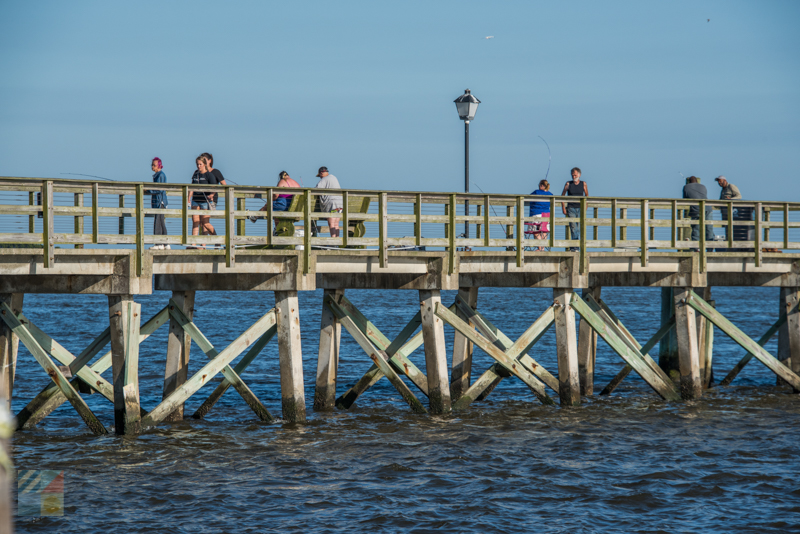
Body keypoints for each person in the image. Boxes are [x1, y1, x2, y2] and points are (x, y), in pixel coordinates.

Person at [188, 155, 226, 248]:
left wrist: (212, 195)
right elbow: (192, 186)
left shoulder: (210, 175)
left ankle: (216, 240)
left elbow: (215, 187)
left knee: (205, 223)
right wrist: (189, 197)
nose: (198, 166)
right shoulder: (195, 173)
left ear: (204, 164)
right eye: (197, 164)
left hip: (205, 201)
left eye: (200, 164)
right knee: (195, 221)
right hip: (195, 200)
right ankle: (193, 244)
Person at [560, 167, 588, 251]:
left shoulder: (583, 184)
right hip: (571, 207)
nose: (574, 176)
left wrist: (586, 206)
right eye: (572, 175)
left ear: (579, 175)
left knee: (579, 227)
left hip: (580, 208)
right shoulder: (568, 184)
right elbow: (562, 195)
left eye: (575, 175)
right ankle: (575, 246)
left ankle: (576, 245)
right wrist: (563, 207)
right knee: (573, 227)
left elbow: (587, 196)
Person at [682, 176, 714, 243]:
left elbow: (685, 199)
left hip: (696, 209)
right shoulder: (703, 186)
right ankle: (710, 247)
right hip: (708, 208)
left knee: (696, 228)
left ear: (689, 182)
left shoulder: (686, 187)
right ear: (697, 181)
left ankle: (696, 247)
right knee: (709, 228)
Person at [146, 157, 169, 250]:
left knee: (158, 222)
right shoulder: (157, 175)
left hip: (160, 202)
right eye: (152, 165)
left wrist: (148, 190)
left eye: (154, 165)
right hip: (158, 202)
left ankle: (158, 243)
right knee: (161, 222)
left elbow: (159, 189)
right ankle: (166, 243)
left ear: (159, 166)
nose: (152, 166)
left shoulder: (161, 175)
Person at [315, 166, 343, 237]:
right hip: (340, 204)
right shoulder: (334, 178)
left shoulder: (324, 179)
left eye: (320, 176)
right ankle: (337, 242)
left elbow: (316, 189)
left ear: (321, 173)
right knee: (336, 224)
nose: (320, 178)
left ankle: (333, 242)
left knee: (331, 224)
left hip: (332, 204)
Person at [526, 179, 553, 251]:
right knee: (544, 231)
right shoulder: (550, 194)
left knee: (536, 232)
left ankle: (539, 248)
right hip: (547, 214)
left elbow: (528, 198)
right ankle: (542, 248)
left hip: (536, 213)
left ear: (541, 185)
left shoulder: (536, 192)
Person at [716, 175, 741, 241]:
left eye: (720, 181)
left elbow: (739, 196)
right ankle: (728, 240)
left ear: (725, 180)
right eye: (718, 182)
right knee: (726, 227)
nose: (719, 183)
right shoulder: (722, 190)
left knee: (733, 227)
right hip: (724, 212)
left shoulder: (731, 186)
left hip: (732, 211)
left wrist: (731, 199)